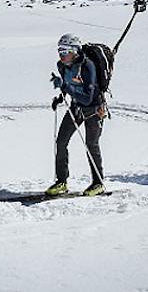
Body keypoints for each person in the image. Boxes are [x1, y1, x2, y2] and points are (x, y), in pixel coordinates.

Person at [47, 33, 106, 197]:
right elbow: (72, 86)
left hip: (94, 109)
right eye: (60, 51)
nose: (62, 55)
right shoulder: (62, 66)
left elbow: (88, 98)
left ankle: (98, 183)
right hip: (76, 107)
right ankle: (61, 181)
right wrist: (60, 97)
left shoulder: (87, 66)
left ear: (75, 50)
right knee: (61, 141)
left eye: (65, 51)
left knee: (91, 144)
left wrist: (65, 87)